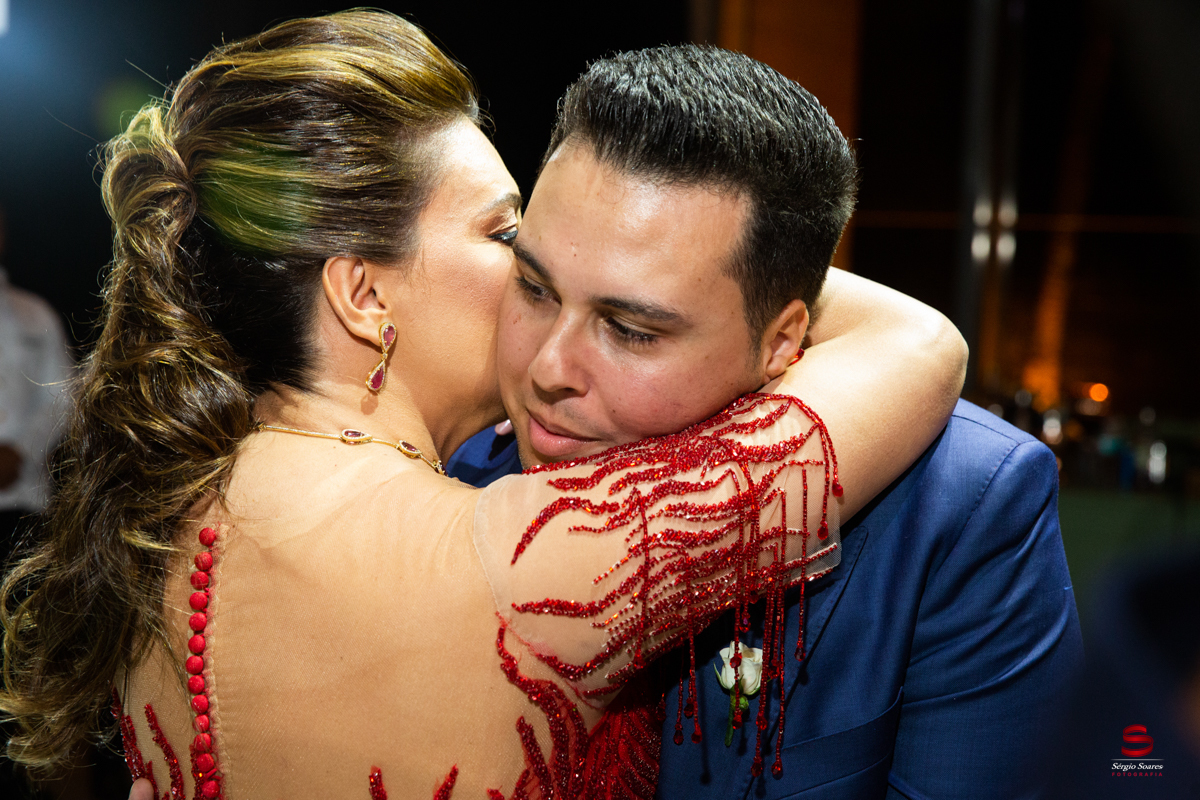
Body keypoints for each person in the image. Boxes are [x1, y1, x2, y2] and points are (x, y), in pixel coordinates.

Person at [0, 12, 965, 800]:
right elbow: (918, 345)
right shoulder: (532, 563)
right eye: (509, 234)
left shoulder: (162, 516)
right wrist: (698, 271)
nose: (535, 264)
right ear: (363, 295)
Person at [449, 45, 1083, 799]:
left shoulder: (959, 513)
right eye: (534, 287)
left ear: (781, 341)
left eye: (631, 330)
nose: (548, 367)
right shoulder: (450, 464)